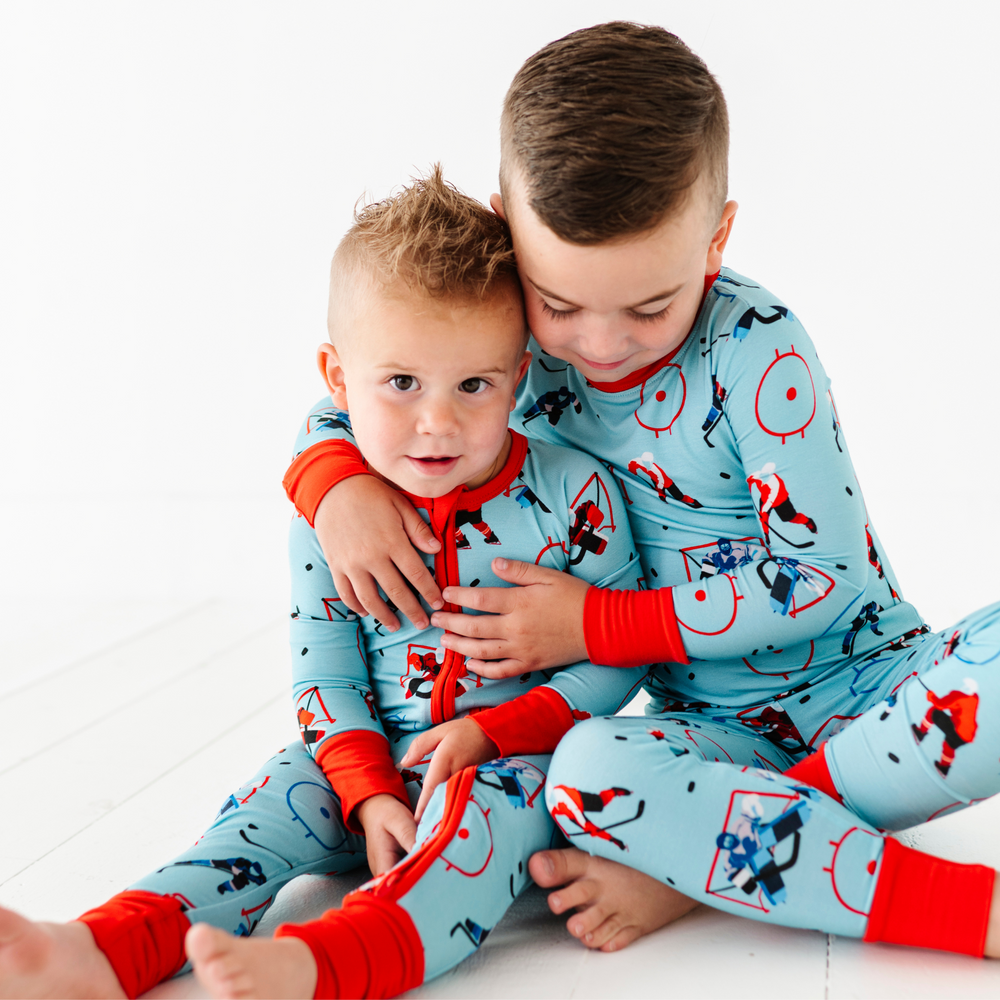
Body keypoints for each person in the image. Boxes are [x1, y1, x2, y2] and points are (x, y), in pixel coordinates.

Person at [285, 21, 1000, 962]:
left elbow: (818, 577)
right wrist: (332, 483)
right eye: (561, 304)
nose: (601, 343)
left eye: (652, 306)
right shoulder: (511, 343)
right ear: (509, 227)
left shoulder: (758, 350)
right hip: (706, 743)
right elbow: (363, 391)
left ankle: (705, 863)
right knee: (587, 772)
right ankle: (748, 852)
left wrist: (598, 629)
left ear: (717, 238)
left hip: (879, 695)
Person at [0, 169, 659, 999]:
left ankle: (326, 962)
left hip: (515, 767)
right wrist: (365, 789)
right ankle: (102, 950)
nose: (437, 421)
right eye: (401, 383)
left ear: (519, 377)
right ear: (338, 379)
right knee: (255, 815)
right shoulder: (333, 519)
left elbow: (616, 659)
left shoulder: (575, 496)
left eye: (474, 385)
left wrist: (494, 736)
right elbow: (326, 676)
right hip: (351, 764)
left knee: (475, 835)